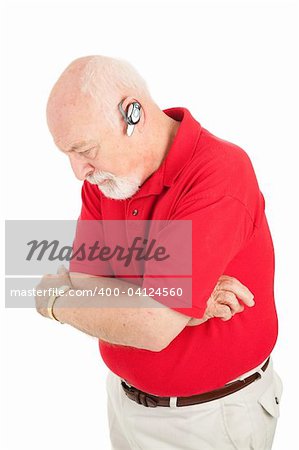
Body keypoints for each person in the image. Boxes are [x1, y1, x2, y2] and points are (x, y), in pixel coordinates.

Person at [35, 55, 282, 449]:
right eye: (68, 154)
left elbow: (150, 327)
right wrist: (174, 306)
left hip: (210, 420)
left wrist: (52, 299)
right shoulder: (105, 183)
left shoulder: (219, 173)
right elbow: (86, 281)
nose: (78, 171)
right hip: (125, 405)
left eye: (84, 150)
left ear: (132, 114)